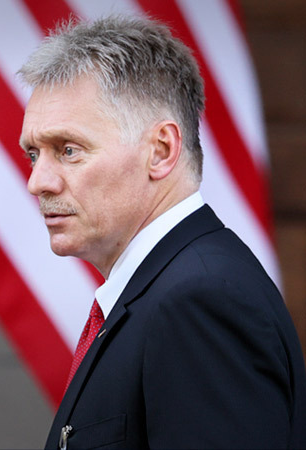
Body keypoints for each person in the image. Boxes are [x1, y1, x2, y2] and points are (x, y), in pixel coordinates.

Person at [18, 15, 306, 449]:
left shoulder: (200, 301)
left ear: (161, 150)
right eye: (33, 154)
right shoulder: (171, 290)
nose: (37, 182)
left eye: (68, 150)